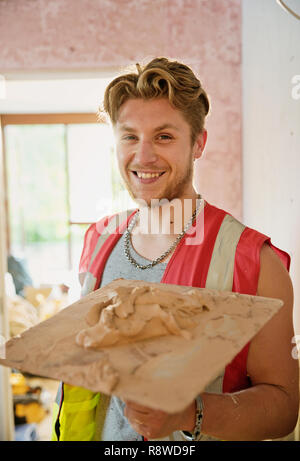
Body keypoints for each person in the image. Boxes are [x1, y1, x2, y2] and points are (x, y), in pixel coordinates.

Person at [52, 57, 299, 441]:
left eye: (164, 137)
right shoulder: (98, 239)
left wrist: (190, 413)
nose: (144, 156)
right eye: (130, 136)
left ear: (198, 143)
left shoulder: (254, 261)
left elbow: (283, 408)